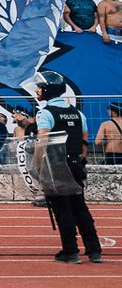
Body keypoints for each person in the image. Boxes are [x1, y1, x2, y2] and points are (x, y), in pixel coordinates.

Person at [31, 70, 103, 262]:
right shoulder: (77, 113)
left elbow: (42, 142)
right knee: (80, 207)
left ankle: (70, 251)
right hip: (75, 164)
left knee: (62, 209)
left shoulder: (45, 113)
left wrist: (36, 167)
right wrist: (80, 162)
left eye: (39, 87)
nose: (37, 90)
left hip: (56, 166)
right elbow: (84, 142)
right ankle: (94, 250)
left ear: (46, 90)